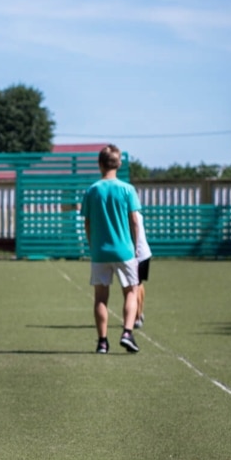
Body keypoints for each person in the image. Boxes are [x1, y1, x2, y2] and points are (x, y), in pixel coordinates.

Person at [80, 144, 142, 354]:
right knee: (131, 292)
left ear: (100, 164)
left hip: (100, 252)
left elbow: (87, 223)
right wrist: (137, 245)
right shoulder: (127, 189)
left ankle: (102, 342)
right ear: (119, 164)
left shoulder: (92, 190)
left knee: (100, 298)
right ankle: (127, 332)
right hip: (124, 250)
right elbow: (135, 220)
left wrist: (92, 244)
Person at [132, 210, 152, 329]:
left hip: (138, 254)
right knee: (139, 284)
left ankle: (137, 317)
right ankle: (140, 312)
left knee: (135, 286)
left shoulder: (130, 216)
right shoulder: (138, 214)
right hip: (145, 253)